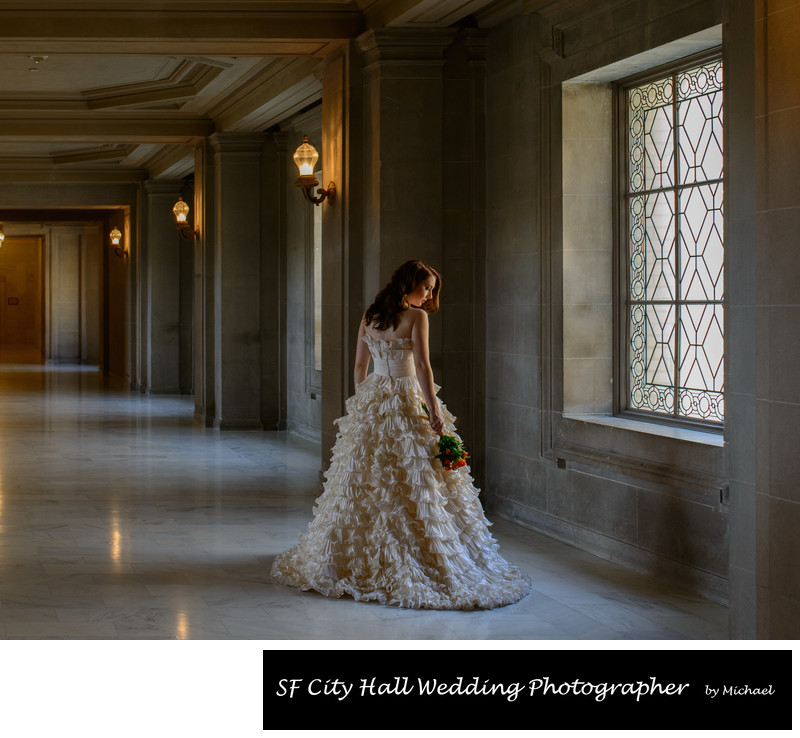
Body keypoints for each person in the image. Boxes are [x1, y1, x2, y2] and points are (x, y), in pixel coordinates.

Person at [271, 260, 530, 610]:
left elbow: (359, 368)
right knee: (415, 474)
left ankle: (351, 558)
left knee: (368, 476)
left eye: (433, 289)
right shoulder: (416, 318)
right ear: (409, 284)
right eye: (426, 287)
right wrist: (434, 409)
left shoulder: (370, 315)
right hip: (407, 396)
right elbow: (422, 366)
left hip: (376, 395)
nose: (429, 295)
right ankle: (418, 555)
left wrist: (364, 403)